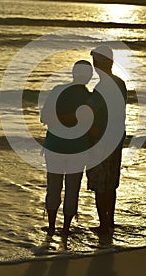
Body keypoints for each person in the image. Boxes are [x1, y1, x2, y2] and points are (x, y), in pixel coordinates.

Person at [40, 60, 93, 236]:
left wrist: (59, 119)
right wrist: (75, 118)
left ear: (73, 73)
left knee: (53, 186)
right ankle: (65, 229)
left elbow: (44, 117)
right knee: (73, 188)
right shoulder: (90, 97)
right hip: (79, 148)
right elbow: (87, 122)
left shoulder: (57, 90)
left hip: (54, 146)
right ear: (89, 76)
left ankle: (52, 226)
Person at [86, 45, 127, 235]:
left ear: (97, 64)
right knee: (110, 183)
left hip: (101, 141)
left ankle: (103, 225)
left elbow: (91, 116)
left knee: (101, 185)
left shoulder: (101, 88)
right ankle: (110, 222)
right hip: (116, 139)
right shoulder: (120, 83)